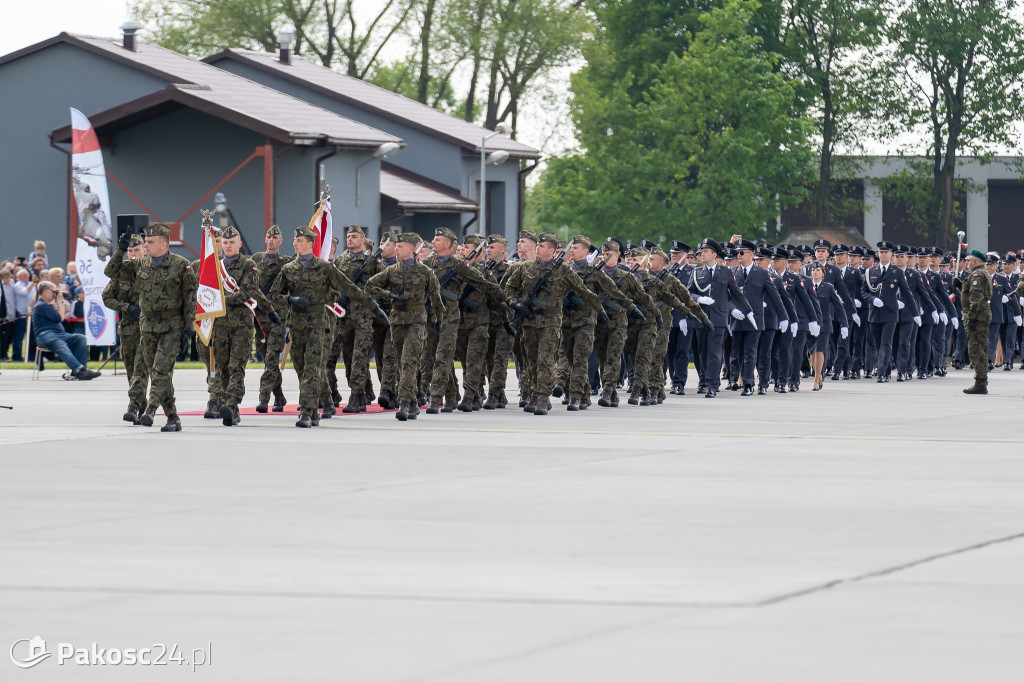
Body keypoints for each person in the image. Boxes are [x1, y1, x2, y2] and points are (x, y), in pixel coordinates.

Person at [270, 225, 369, 427]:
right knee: (300, 367)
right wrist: (290, 299)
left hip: (318, 324)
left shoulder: (324, 268)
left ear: (309, 243)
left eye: (299, 240)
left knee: (312, 369)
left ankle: (307, 412)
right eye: (295, 240)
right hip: (297, 325)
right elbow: (274, 295)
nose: (294, 243)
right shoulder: (288, 268)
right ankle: (322, 404)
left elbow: (347, 287)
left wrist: (373, 306)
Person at [105, 223, 196, 431]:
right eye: (145, 241)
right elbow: (111, 271)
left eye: (150, 242)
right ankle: (173, 417)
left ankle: (151, 409)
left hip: (172, 325)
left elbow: (190, 298)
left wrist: (189, 328)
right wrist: (121, 249)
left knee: (161, 370)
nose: (146, 245)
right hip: (147, 326)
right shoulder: (141, 265)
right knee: (156, 373)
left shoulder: (181, 265)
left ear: (163, 244)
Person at [502, 231, 599, 415]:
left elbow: (582, 290)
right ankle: (533, 392)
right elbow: (509, 287)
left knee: (545, 360)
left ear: (553, 250)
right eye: (537, 245)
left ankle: (542, 397)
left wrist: (598, 308)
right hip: (529, 322)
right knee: (531, 361)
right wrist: (515, 303)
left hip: (551, 324)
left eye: (542, 246)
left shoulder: (562, 270)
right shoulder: (525, 268)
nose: (538, 248)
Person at [365, 233, 445, 421]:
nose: (396, 249)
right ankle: (415, 399)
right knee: (404, 362)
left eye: (400, 246)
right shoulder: (391, 271)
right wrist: (390, 295)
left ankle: (405, 403)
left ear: (411, 249)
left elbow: (436, 298)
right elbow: (370, 286)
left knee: (409, 360)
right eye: (397, 246)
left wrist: (439, 321)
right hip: (397, 321)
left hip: (417, 322)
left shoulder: (425, 272)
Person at [211, 226, 279, 426]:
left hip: (241, 323)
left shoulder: (249, 265)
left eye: (232, 242)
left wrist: (269, 310)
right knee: (223, 366)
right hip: (220, 324)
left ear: (239, 244)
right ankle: (231, 407)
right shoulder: (215, 267)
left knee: (237, 365)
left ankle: (231, 403)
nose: (228, 246)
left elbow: (249, 293)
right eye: (225, 243)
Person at [102, 233, 147, 423]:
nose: (134, 254)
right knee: (131, 370)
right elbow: (107, 296)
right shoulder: (123, 271)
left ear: (145, 250)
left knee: (141, 368)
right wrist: (126, 307)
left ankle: (134, 405)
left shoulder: (151, 269)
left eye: (137, 250)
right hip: (129, 328)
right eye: (130, 251)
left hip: (150, 328)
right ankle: (140, 405)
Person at [251, 225, 292, 413]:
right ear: (265, 239)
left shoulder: (287, 263)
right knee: (268, 358)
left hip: (278, 316)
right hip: (259, 318)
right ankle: (279, 395)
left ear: (281, 241)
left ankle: (263, 398)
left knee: (272, 357)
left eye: (276, 237)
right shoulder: (255, 260)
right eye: (269, 236)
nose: (272, 239)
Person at [31, 281, 100, 380]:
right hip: (46, 335)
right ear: (46, 291)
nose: (55, 294)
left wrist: (60, 302)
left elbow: (59, 317)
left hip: (60, 334)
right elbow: (60, 317)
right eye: (53, 291)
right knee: (60, 344)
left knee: (81, 338)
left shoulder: (47, 306)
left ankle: (79, 370)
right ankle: (80, 370)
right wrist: (60, 302)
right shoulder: (41, 305)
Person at [809, 262, 848, 390]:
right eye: (813, 270)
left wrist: (844, 324)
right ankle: (818, 375)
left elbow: (839, 307)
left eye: (818, 270)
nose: (815, 272)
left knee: (819, 351)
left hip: (824, 324)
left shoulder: (828, 287)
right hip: (810, 323)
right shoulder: (806, 286)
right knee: (812, 353)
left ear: (823, 273)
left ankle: (816, 379)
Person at [962, 250, 993, 394]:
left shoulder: (977, 275)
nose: (967, 263)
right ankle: (981, 381)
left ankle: (980, 383)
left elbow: (975, 298)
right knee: (979, 348)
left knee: (977, 350)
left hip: (978, 317)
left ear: (974, 262)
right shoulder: (981, 273)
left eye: (969, 261)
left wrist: (972, 318)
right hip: (981, 315)